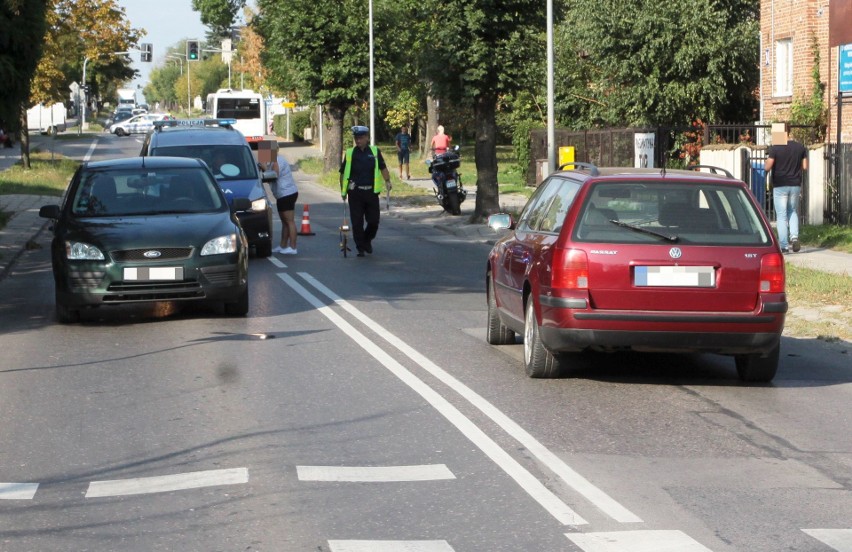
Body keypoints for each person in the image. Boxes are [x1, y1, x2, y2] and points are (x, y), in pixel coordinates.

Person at [339, 125, 392, 257]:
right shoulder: (350, 153)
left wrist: (387, 181)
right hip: (355, 192)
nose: (358, 140)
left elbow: (383, 167)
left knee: (374, 221)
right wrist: (343, 190)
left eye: (361, 138)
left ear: (367, 138)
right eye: (356, 138)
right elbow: (342, 173)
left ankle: (367, 240)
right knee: (357, 222)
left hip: (371, 192)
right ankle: (360, 247)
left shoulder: (374, 152)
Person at [765, 123, 807, 254]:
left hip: (780, 185)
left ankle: (784, 246)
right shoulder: (800, 147)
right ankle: (794, 238)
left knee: (782, 215)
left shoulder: (775, 148)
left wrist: (767, 161)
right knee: (793, 211)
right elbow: (805, 166)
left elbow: (767, 167)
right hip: (795, 184)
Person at [270, 153, 299, 255]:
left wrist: (264, 168)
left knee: (289, 221)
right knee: (284, 221)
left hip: (287, 193)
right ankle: (283, 245)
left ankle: (293, 247)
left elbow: (274, 175)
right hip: (282, 194)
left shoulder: (276, 160)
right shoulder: (273, 161)